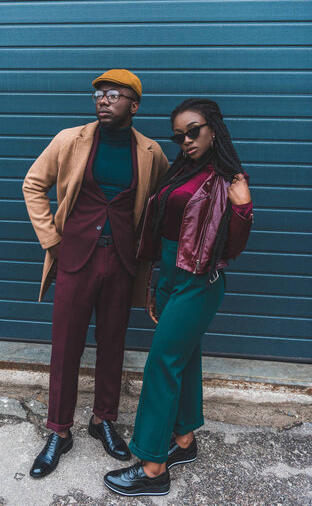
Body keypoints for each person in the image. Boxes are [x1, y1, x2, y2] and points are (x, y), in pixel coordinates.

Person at [22, 69, 169, 478]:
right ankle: (59, 431)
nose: (103, 100)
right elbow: (33, 185)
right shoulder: (71, 140)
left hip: (121, 262)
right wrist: (51, 240)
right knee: (65, 345)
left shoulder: (151, 153)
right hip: (75, 259)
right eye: (99, 94)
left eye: (115, 95)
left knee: (113, 344)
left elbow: (159, 206)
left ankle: (103, 419)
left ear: (134, 105)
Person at [104, 98, 253, 497]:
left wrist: (242, 209)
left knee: (161, 363)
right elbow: (166, 232)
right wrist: (155, 282)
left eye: (193, 131)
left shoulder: (227, 178)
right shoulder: (182, 170)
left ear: (213, 129)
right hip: (171, 274)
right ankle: (184, 441)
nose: (185, 140)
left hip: (199, 281)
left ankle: (153, 467)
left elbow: (231, 248)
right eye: (179, 135)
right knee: (183, 359)